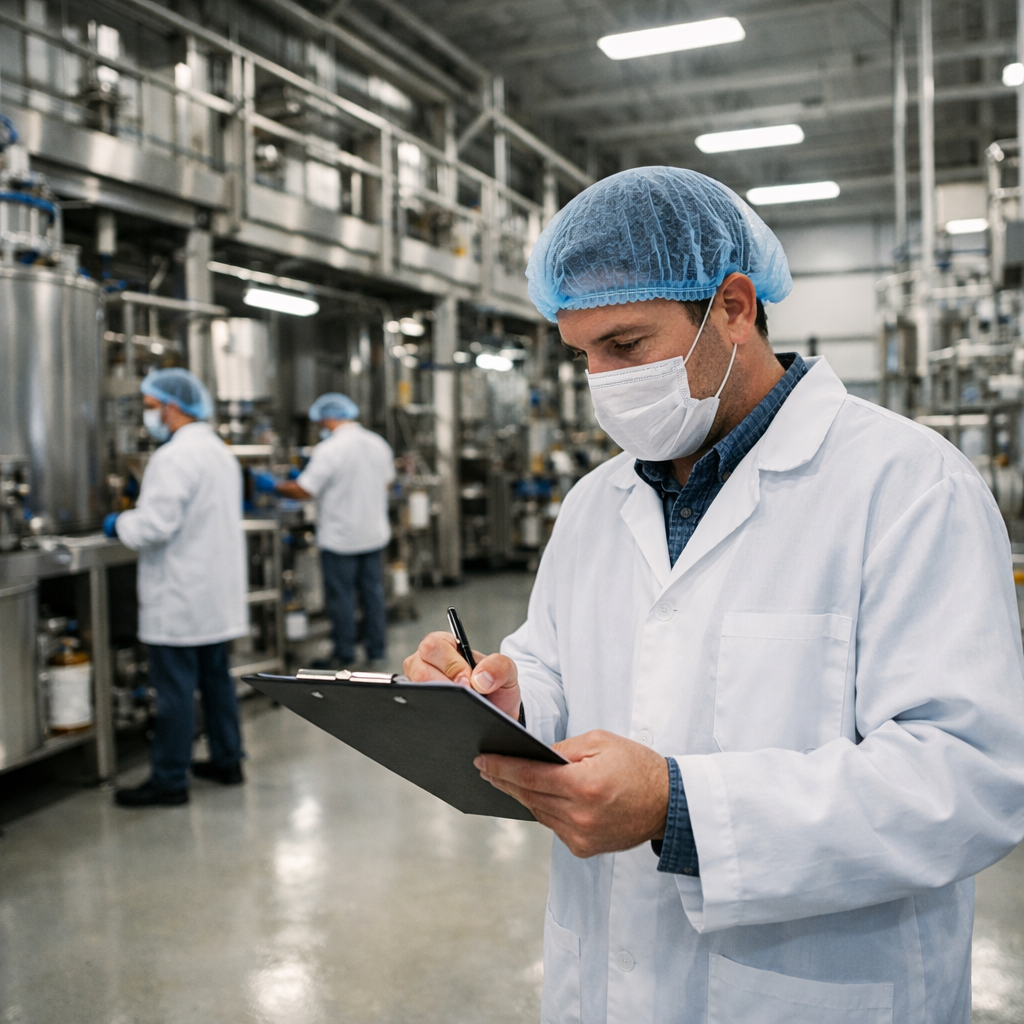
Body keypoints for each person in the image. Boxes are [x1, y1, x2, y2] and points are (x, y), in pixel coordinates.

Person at [404, 167, 1024, 1023]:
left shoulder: (909, 486)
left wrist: (678, 806)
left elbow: (970, 776)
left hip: (815, 989)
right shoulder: (595, 501)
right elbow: (555, 662)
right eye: (582, 355)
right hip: (610, 981)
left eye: (625, 347)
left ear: (734, 307)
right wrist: (503, 696)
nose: (602, 382)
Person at [106, 368, 248, 807]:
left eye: (150, 407)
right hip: (213, 595)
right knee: (216, 683)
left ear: (170, 406)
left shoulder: (173, 457)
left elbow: (154, 526)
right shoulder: (218, 452)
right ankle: (228, 761)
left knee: (174, 694)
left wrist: (118, 523)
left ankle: (169, 780)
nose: (150, 415)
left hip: (181, 597)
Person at [269, 393, 395, 669]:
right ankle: (377, 650)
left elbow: (304, 489)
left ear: (327, 418)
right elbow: (387, 483)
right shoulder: (378, 443)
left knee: (341, 599)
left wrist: (273, 485)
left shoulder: (330, 450)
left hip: (341, 539)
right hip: (373, 534)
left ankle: (345, 653)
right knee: (373, 595)